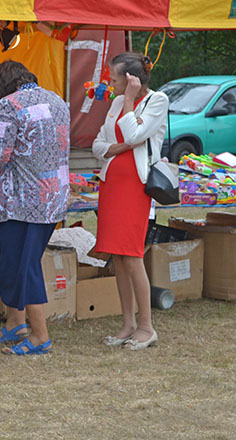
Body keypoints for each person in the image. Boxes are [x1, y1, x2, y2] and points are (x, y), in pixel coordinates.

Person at [0, 60, 70, 356]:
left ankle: (39, 336)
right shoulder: (57, 99)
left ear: (1, 86)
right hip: (51, 198)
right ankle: (15, 322)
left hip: (19, 200)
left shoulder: (10, 104)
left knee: (23, 265)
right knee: (21, 262)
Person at [92, 52, 168, 351]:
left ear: (131, 80)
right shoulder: (114, 102)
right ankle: (127, 323)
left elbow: (137, 131)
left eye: (114, 79)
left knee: (133, 255)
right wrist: (121, 146)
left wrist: (128, 102)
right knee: (118, 257)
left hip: (136, 187)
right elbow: (98, 145)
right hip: (111, 184)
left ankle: (147, 326)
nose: (110, 85)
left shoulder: (157, 101)